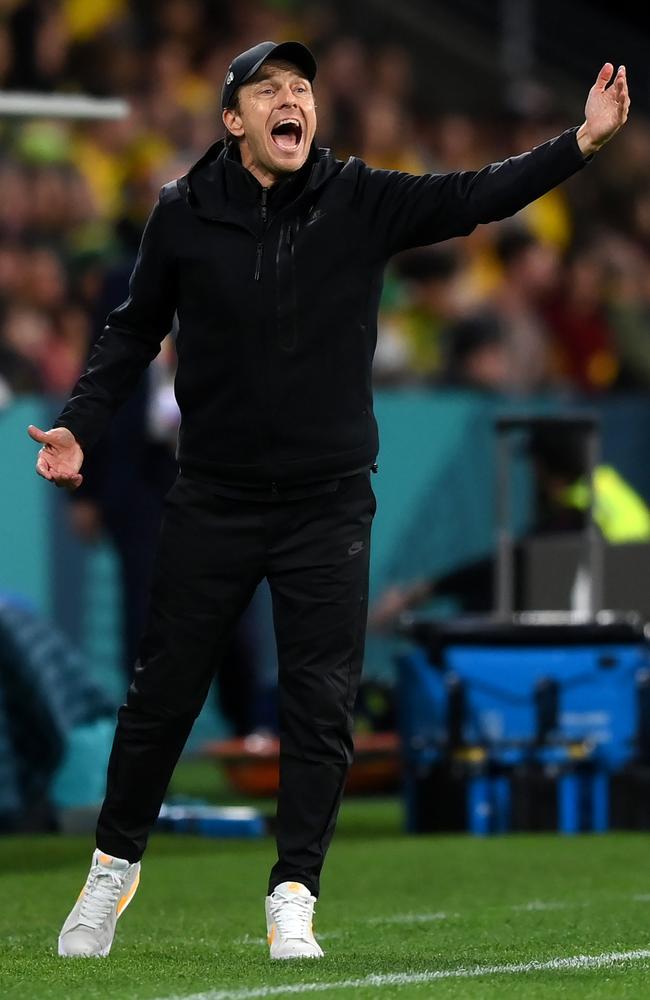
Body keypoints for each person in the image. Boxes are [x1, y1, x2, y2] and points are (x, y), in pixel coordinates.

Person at [27, 40, 629, 960]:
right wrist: (81, 423)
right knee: (162, 698)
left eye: (301, 88)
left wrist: (578, 144)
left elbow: (473, 195)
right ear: (235, 121)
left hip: (327, 502)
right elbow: (130, 333)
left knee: (321, 704)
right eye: (268, 90)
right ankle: (112, 870)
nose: (290, 100)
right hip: (215, 497)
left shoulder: (360, 198)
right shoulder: (183, 213)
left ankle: (294, 891)